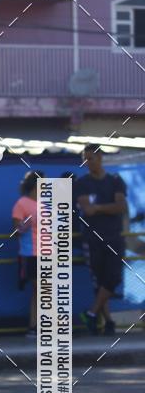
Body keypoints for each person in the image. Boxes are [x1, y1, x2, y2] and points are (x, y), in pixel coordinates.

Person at [75, 144, 127, 335]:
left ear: (100, 158)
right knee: (99, 281)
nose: (88, 163)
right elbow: (87, 209)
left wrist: (98, 208)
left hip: (113, 236)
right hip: (92, 238)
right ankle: (107, 321)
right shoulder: (82, 183)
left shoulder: (115, 180)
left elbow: (120, 206)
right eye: (85, 159)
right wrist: (104, 207)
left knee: (113, 278)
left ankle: (91, 313)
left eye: (91, 158)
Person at [11, 170, 42, 337]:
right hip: (31, 253)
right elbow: (17, 230)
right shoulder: (21, 203)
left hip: (47, 253)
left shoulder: (46, 204)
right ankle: (34, 326)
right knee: (39, 289)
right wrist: (27, 223)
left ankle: (41, 326)